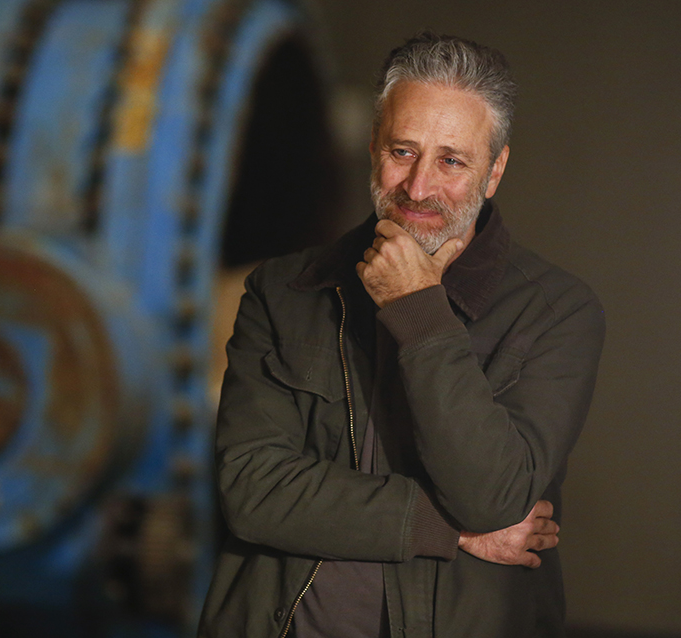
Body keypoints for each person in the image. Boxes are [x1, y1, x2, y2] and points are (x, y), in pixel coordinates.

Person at [199, 31, 605, 638]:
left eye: (452, 161)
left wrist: (418, 309)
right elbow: (251, 490)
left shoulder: (558, 311)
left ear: (494, 172)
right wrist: (448, 530)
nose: (418, 188)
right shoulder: (283, 290)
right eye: (402, 151)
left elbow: (495, 497)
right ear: (372, 147)